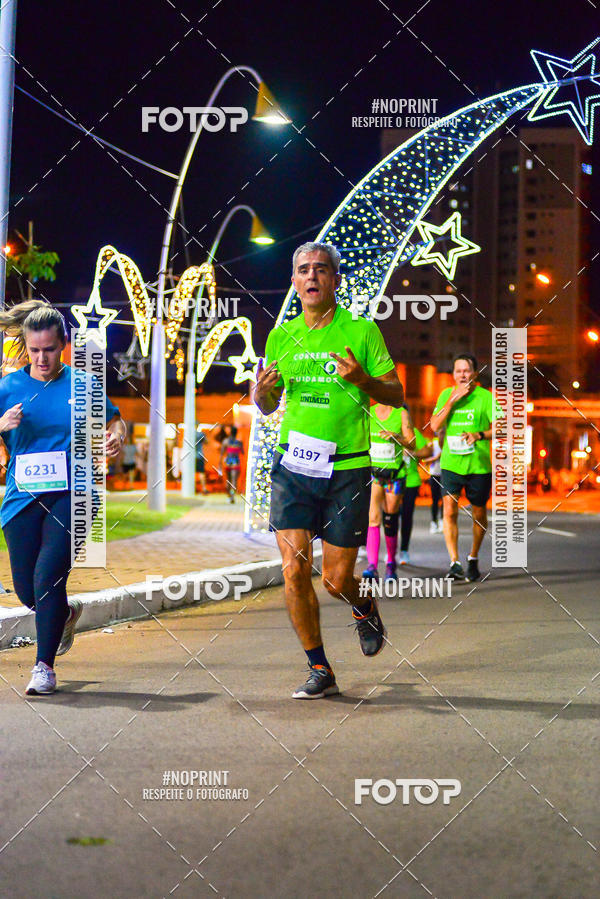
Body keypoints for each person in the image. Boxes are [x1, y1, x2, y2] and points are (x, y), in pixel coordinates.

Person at [254, 241, 404, 699]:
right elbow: (269, 404)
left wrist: (363, 380)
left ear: (335, 280)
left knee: (335, 581)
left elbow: (396, 394)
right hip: (293, 466)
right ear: (294, 281)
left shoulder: (361, 331)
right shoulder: (281, 336)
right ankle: (319, 667)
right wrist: (260, 394)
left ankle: (363, 604)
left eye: (321, 269)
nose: (312, 276)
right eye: (304, 269)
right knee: (293, 569)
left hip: (347, 469)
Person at [0, 300, 126, 695]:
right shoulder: (7, 387)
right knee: (27, 590)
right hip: (21, 496)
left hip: (74, 493)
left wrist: (116, 435)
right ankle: (65, 614)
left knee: (47, 577)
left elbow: (115, 420)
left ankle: (44, 668)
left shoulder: (83, 384)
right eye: (34, 350)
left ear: (63, 345)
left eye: (50, 350)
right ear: (26, 346)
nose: (42, 359)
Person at [431, 354, 495, 582]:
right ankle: (455, 562)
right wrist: (451, 402)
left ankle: (473, 557)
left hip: (478, 465)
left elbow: (502, 428)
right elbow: (434, 425)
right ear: (453, 375)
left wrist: (479, 435)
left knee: (478, 513)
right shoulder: (445, 395)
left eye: (466, 371)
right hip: (451, 464)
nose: (462, 375)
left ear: (475, 374)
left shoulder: (485, 397)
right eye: (458, 371)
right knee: (449, 511)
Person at [362, 404, 414, 582]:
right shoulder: (369, 412)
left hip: (395, 476)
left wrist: (397, 437)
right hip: (374, 475)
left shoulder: (401, 414)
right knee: (373, 518)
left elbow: (412, 443)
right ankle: (372, 566)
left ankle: (391, 563)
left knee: (390, 519)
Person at [397, 424, 431, 564]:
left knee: (406, 516)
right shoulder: (385, 431)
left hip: (410, 480)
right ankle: (391, 551)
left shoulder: (414, 432)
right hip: (390, 480)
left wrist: (413, 453)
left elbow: (428, 451)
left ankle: (404, 551)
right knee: (390, 517)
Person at [219, 425, 243, 503]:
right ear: (236, 433)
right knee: (234, 481)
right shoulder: (239, 442)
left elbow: (221, 454)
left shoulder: (225, 441)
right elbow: (242, 452)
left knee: (228, 481)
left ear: (230, 432)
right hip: (236, 462)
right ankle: (232, 496)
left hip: (228, 462)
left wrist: (219, 465)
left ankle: (229, 495)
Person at [424, 434, 443, 533]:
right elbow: (425, 459)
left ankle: (442, 521)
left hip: (445, 474)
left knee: (444, 499)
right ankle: (433, 522)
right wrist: (436, 457)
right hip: (434, 474)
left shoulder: (446, 443)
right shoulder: (432, 443)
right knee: (435, 499)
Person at [195, 428, 208, 495]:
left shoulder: (188, 434)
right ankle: (204, 489)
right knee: (201, 472)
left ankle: (192, 488)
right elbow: (206, 442)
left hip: (191, 457)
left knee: (190, 473)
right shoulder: (201, 434)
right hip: (199, 455)